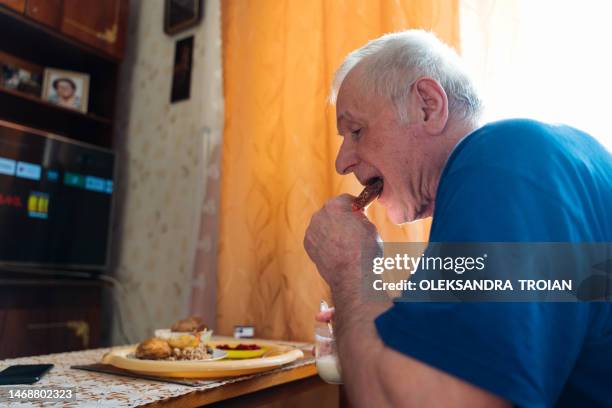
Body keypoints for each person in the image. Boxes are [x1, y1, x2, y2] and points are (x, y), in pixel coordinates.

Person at [304, 30, 612, 407]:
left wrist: (350, 270)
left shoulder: (503, 161)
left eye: (356, 130)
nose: (342, 161)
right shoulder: (531, 167)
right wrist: (360, 322)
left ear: (427, 106)